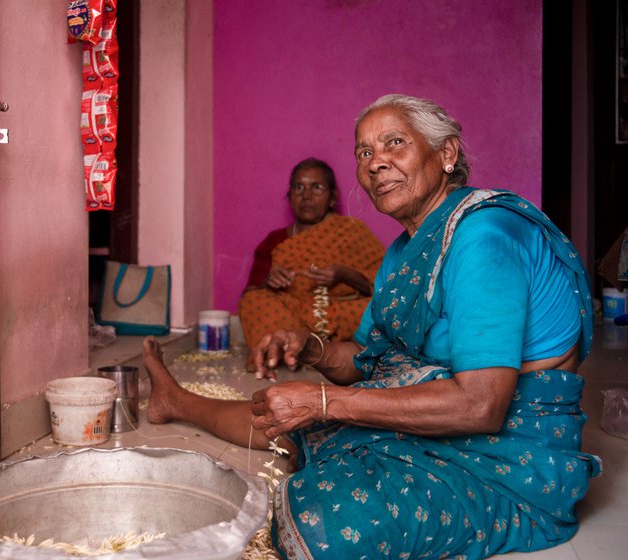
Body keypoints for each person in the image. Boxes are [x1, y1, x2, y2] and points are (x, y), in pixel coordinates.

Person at [143, 94, 601, 559]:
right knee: (289, 421)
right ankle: (175, 400)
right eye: (364, 152)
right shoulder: (405, 250)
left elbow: (481, 405)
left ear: (447, 154)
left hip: (505, 455)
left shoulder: (483, 236)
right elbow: (365, 362)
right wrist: (312, 348)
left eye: (394, 144)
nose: (376, 163)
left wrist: (325, 402)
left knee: (327, 518)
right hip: (447, 413)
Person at [238, 158, 384, 369]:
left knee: (377, 311)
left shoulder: (353, 232)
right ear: (289, 196)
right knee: (254, 302)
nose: (306, 196)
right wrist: (268, 282)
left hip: (342, 313)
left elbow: (385, 287)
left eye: (316, 187)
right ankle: (302, 348)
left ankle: (312, 350)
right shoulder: (274, 241)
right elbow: (250, 295)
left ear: (332, 197)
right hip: (292, 314)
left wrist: (344, 275)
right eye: (299, 187)